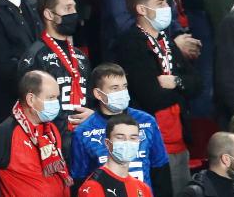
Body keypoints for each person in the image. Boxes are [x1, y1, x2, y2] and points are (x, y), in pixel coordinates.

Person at [114, 0, 198, 189]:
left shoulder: (166, 42)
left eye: (167, 2)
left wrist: (176, 82)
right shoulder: (130, 44)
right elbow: (151, 96)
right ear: (142, 9)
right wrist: (182, 89)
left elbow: (197, 83)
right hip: (154, 145)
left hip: (180, 139)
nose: (167, 7)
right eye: (160, 3)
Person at [69, 63, 172, 196]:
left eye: (124, 86)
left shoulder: (147, 121)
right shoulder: (83, 132)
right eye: (115, 88)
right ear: (98, 94)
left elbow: (161, 169)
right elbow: (79, 179)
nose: (122, 92)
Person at [0, 70, 70, 196]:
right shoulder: (7, 132)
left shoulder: (51, 129)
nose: (56, 103)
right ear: (31, 99)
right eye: (51, 98)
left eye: (57, 97)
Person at [19, 0, 93, 133]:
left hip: (84, 134)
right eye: (68, 8)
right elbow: (29, 108)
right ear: (49, 14)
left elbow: (91, 98)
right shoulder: (35, 56)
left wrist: (93, 114)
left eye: (74, 8)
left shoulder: (80, 56)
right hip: (53, 137)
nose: (74, 13)